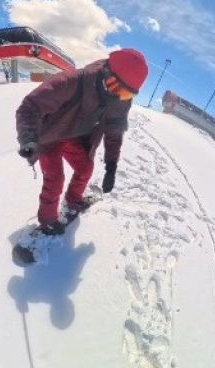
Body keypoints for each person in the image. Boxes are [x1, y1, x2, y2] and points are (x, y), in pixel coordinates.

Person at [15, 48, 149, 233]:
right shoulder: (73, 81)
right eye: (116, 87)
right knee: (55, 179)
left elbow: (114, 132)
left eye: (126, 94)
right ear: (106, 72)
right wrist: (28, 137)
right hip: (50, 136)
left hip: (74, 136)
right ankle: (47, 222)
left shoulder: (119, 101)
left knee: (86, 168)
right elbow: (30, 106)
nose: (118, 95)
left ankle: (73, 200)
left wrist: (111, 166)